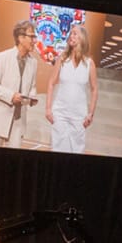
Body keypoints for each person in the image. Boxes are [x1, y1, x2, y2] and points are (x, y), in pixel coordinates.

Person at [0, 19, 42, 148]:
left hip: (18, 120)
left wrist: (31, 98)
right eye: (32, 37)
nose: (35, 41)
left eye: (35, 37)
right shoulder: (2, 57)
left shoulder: (33, 63)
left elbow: (31, 87)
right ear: (20, 38)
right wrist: (11, 96)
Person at [44, 22, 98, 154]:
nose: (71, 36)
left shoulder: (89, 63)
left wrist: (90, 113)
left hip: (79, 116)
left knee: (77, 152)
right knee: (57, 150)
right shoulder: (62, 59)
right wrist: (48, 109)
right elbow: (51, 83)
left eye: (74, 33)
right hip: (60, 113)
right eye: (71, 34)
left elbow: (94, 89)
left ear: (82, 38)